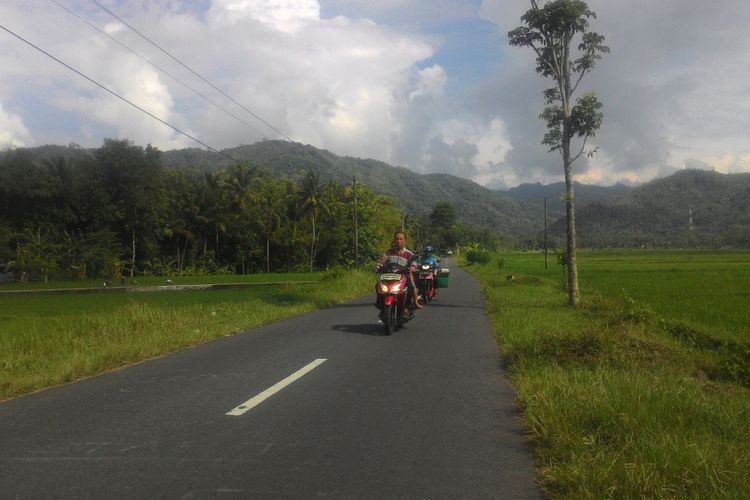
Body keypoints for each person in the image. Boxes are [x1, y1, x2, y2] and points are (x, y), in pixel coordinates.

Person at [375, 230, 422, 317]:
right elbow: (381, 261)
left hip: (403, 277)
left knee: (411, 287)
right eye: (397, 239)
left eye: (401, 239)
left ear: (405, 241)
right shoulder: (388, 252)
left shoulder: (409, 254)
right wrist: (378, 266)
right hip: (389, 276)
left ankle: (406, 307)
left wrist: (413, 267)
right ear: (394, 240)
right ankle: (380, 304)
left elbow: (414, 262)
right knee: (378, 285)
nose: (399, 241)